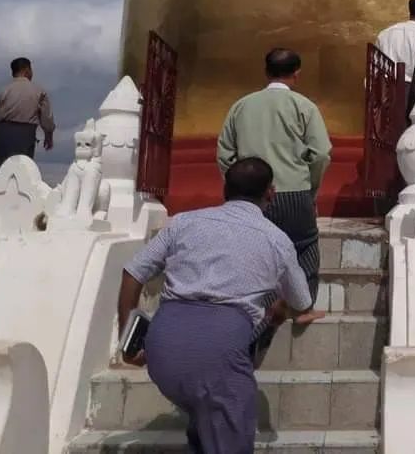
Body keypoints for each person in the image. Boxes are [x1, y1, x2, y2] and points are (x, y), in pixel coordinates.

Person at [117, 158, 318, 454]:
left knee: (205, 415)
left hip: (163, 351)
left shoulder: (184, 222)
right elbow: (302, 302)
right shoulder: (277, 240)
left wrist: (127, 338)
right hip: (218, 354)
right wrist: (279, 312)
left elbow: (132, 273)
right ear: (271, 194)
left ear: (225, 189)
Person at [217, 48, 331, 351]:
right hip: (294, 191)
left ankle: (256, 316)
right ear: (297, 73)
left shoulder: (241, 106)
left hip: (251, 196)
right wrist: (311, 189)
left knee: (254, 255)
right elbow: (321, 153)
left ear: (266, 72)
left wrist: (239, 186)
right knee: (304, 246)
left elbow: (224, 154)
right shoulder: (303, 106)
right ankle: (302, 308)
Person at [0, 57, 55, 180]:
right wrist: (48, 136)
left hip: (4, 135)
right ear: (26, 70)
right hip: (26, 136)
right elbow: (47, 119)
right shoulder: (39, 92)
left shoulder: (3, 91)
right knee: (23, 176)